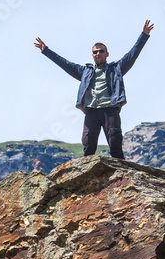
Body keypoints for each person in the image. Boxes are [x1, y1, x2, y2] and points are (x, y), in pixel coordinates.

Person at [34, 20, 155, 159]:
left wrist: (144, 35)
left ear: (107, 54)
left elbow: (133, 53)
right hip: (91, 110)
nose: (98, 54)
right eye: (95, 52)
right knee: (88, 144)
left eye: (101, 51)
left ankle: (122, 174)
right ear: (92, 55)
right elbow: (65, 64)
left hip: (110, 109)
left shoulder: (116, 68)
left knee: (115, 143)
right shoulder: (84, 71)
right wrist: (46, 50)